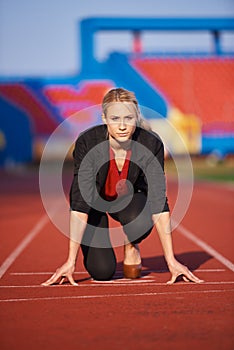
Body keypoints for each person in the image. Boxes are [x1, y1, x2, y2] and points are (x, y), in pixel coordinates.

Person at [42, 88, 204, 286]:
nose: (121, 126)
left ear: (136, 117)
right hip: (94, 203)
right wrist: (70, 261)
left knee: (139, 223)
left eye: (128, 118)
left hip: (130, 200)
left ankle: (131, 243)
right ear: (104, 118)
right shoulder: (87, 142)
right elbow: (80, 202)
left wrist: (171, 261)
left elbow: (158, 202)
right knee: (102, 271)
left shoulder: (150, 143)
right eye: (115, 118)